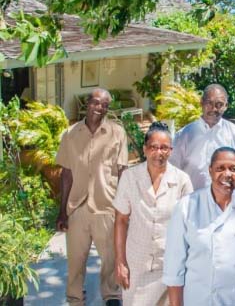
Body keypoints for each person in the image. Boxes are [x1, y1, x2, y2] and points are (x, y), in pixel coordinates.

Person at [163, 147, 235, 306]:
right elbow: (174, 267)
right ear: (210, 171)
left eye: (234, 169)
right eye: (220, 168)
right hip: (201, 300)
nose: (227, 174)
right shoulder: (187, 207)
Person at [55, 88, 128, 306]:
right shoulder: (70, 134)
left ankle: (112, 295)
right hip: (77, 207)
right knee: (76, 261)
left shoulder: (117, 133)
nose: (100, 108)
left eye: (105, 105)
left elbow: (123, 172)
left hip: (106, 205)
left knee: (110, 259)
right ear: (87, 104)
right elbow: (66, 173)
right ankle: (75, 298)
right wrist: (62, 211)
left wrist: (124, 208)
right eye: (96, 103)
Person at [113, 121, 193, 306]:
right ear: (145, 149)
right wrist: (120, 262)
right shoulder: (130, 177)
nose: (159, 153)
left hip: (170, 262)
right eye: (154, 147)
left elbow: (190, 225)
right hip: (136, 262)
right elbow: (121, 221)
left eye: (164, 148)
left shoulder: (182, 180)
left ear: (171, 150)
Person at [169, 84, 235, 190]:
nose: (214, 108)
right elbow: (172, 172)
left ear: (226, 106)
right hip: (192, 203)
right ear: (201, 102)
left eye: (219, 104)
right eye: (209, 103)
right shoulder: (183, 135)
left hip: (227, 204)